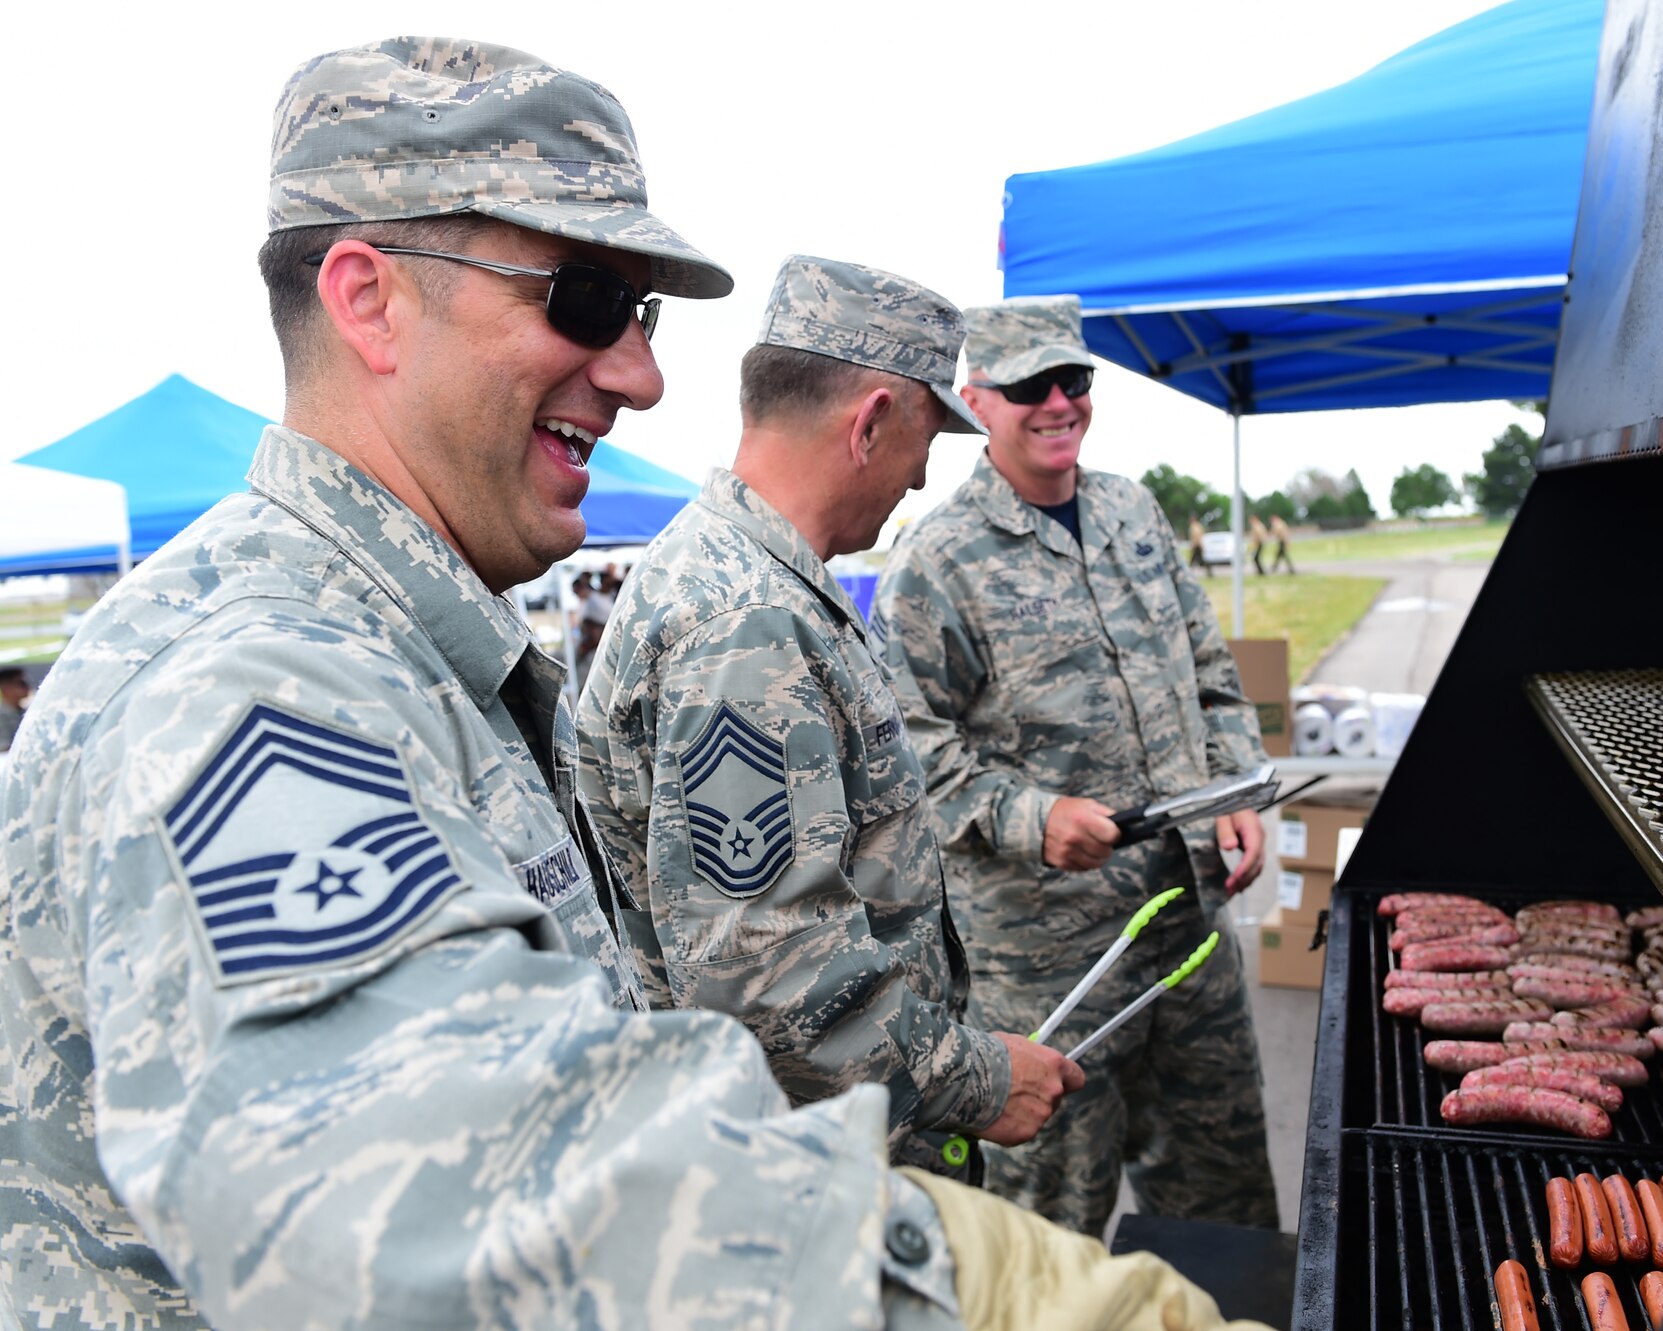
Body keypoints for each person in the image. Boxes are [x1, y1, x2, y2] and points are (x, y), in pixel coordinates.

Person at [0, 39, 1269, 1331]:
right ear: (370, 300)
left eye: (643, 319)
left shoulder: (399, 650)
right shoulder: (258, 688)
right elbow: (478, 1225)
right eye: (588, 299)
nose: (643, 373)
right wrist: (1019, 1289)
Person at [576, 256, 1081, 1179]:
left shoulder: (757, 587)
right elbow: (771, 984)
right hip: (803, 1170)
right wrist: (978, 1077)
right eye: (927, 437)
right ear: (874, 422)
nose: (922, 480)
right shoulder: (745, 623)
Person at [871, 295, 1281, 1237]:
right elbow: (907, 755)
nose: (1059, 403)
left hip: (1188, 927)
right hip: (1051, 963)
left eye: (1075, 380)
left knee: (1227, 1204)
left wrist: (1241, 788)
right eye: (1030, 387)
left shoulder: (1132, 511)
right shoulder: (938, 562)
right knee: (1054, 1223)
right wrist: (1029, 816)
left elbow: (1210, 673)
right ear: (977, 401)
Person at [573, 589, 612, 689]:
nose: (586, 632)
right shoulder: (583, 649)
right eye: (585, 627)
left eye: (591, 627)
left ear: (604, 629)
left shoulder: (607, 656)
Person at [0, 667, 28, 752]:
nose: (27, 687)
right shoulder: (2, 716)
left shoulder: (26, 713)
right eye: (21, 683)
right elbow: (3, 748)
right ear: (6, 688)